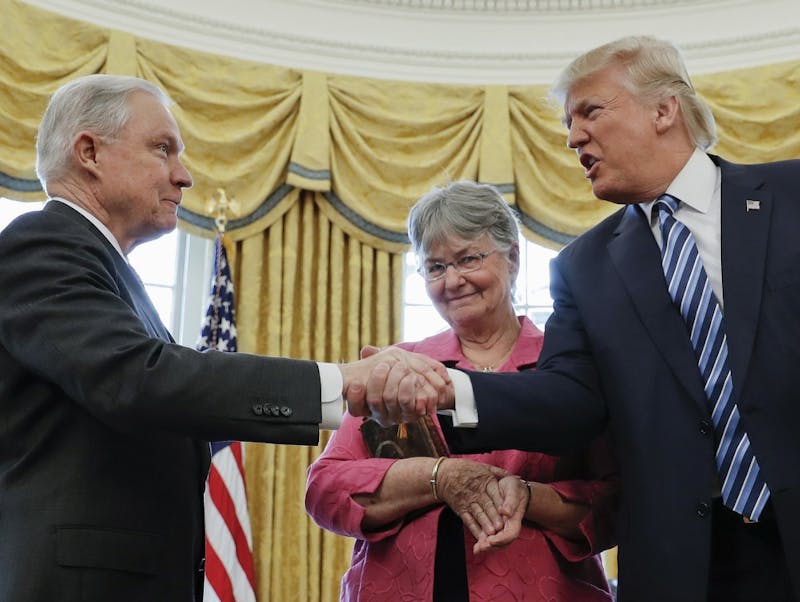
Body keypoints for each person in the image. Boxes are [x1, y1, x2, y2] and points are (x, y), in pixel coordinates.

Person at [352, 36, 800, 602]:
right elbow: (569, 401)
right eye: (569, 122)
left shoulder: (791, 196)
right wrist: (446, 389)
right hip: (687, 566)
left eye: (590, 112)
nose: (572, 138)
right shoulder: (585, 267)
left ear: (665, 109)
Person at [0, 74, 448, 602]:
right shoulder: (42, 245)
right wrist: (342, 383)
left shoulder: (108, 271)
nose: (183, 175)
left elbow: (160, 413)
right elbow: (139, 380)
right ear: (89, 152)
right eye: (163, 149)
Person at [306, 181, 618, 601]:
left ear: (513, 257)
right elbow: (325, 490)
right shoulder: (399, 367)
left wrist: (529, 497)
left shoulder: (567, 366)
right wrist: (439, 478)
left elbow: (617, 501)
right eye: (435, 267)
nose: (452, 281)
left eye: (468, 259)